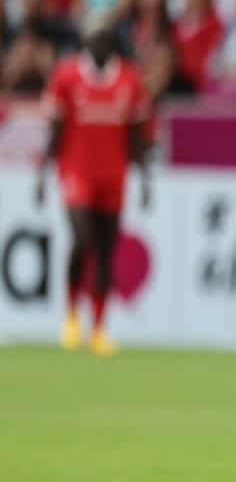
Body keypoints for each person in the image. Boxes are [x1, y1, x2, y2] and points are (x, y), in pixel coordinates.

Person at [36, 21, 151, 355]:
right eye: (93, 38)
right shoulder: (67, 76)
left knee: (105, 251)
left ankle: (99, 328)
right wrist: (42, 175)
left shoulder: (129, 79)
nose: (98, 45)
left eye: (105, 39)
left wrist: (144, 178)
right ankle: (71, 314)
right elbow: (55, 130)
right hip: (76, 172)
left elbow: (136, 135)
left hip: (113, 176)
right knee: (82, 239)